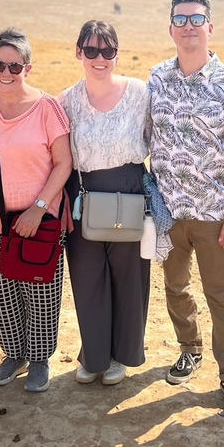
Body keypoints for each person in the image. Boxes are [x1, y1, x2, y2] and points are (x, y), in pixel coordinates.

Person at [149, 0, 224, 419]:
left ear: (210, 28)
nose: (188, 27)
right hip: (168, 211)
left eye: (197, 20)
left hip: (215, 213)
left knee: (221, 295)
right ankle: (189, 349)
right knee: (175, 287)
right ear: (171, 28)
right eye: (181, 20)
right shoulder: (156, 78)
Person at [0, 28, 72, 391]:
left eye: (14, 65)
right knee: (2, 290)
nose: (6, 72)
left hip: (40, 222)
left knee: (41, 290)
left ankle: (40, 359)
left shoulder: (48, 109)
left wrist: (38, 209)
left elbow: (63, 164)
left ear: (28, 67)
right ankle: (14, 353)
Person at [59, 21, 150, 386]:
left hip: (128, 189)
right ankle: (93, 356)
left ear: (117, 53)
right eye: (91, 50)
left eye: (107, 50)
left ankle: (122, 356)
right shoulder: (65, 100)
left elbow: (156, 139)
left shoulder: (140, 93)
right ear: (79, 52)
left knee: (129, 279)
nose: (100, 58)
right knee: (87, 277)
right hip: (83, 193)